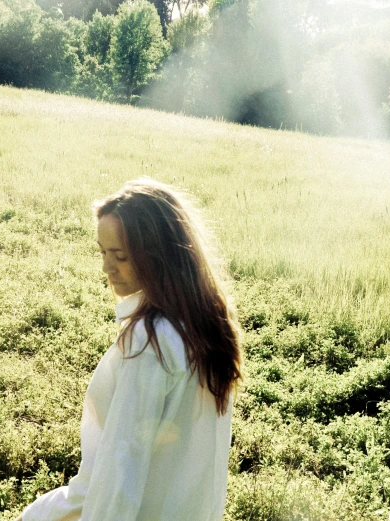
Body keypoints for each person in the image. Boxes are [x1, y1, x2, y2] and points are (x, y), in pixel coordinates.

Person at [16, 179, 242, 521]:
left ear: (158, 255)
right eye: (102, 252)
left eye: (120, 256)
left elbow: (122, 463)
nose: (107, 267)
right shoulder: (203, 322)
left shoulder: (149, 341)